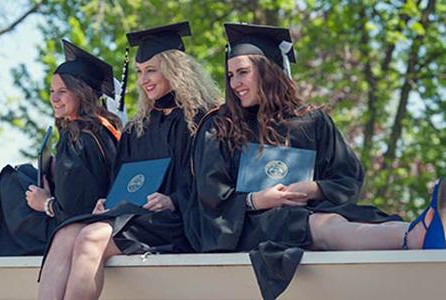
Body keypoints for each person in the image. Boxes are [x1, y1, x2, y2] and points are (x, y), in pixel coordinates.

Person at [184, 23, 446, 300]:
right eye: (230, 75)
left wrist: (313, 189)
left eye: (243, 73)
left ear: (269, 70)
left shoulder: (309, 121)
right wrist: (260, 199)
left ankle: (420, 229)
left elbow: (347, 177)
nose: (235, 83)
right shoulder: (218, 126)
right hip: (243, 225)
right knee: (324, 225)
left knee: (362, 216)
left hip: (305, 211)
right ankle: (415, 236)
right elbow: (209, 195)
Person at [37, 21, 221, 300]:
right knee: (65, 235)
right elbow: (123, 179)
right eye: (138, 72)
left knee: (89, 237)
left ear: (175, 70)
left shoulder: (203, 121)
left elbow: (213, 181)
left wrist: (174, 200)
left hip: (177, 220)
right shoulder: (138, 128)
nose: (143, 79)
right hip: (133, 216)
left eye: (151, 70)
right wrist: (107, 200)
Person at [0, 40, 122, 256]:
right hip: (76, 221)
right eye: (52, 91)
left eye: (63, 91)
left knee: (11, 181)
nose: (54, 98)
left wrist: (46, 202)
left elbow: (75, 212)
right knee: (25, 172)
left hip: (62, 231)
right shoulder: (100, 129)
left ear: (81, 93)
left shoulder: (79, 137)